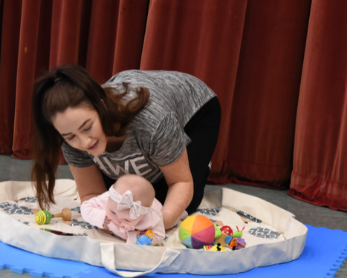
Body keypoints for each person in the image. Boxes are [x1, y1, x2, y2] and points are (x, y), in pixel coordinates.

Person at [31, 64, 221, 229]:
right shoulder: (70, 140)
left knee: (172, 202)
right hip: (152, 131)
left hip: (196, 112)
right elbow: (93, 195)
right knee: (120, 200)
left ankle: (194, 161)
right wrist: (106, 222)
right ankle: (164, 160)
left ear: (102, 106)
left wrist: (153, 227)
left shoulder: (153, 122)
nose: (85, 142)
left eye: (88, 127)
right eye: (71, 136)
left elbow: (181, 184)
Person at [80, 174, 170, 245]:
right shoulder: (108, 199)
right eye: (112, 212)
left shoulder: (151, 217)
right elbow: (85, 207)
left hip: (156, 205)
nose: (117, 221)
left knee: (173, 220)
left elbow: (159, 234)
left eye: (127, 219)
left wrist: (137, 238)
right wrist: (100, 216)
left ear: (142, 216)